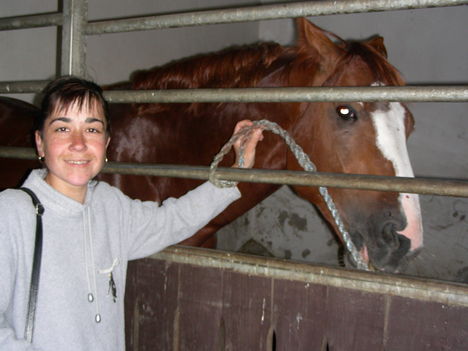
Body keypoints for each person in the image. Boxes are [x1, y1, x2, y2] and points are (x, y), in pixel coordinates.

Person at [0, 76, 264, 350]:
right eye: (63, 129)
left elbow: (172, 220)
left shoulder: (109, 205)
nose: (78, 143)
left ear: (106, 143)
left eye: (92, 130)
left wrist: (237, 169)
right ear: (41, 143)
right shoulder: (12, 213)